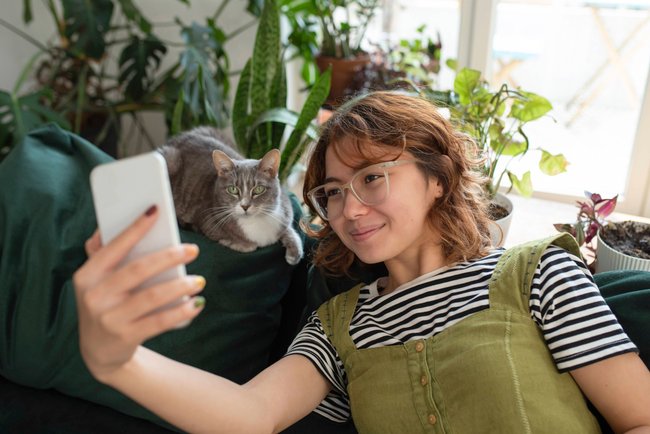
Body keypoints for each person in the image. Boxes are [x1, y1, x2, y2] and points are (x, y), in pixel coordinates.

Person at [74, 91, 650, 433]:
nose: (347, 208)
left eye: (372, 178)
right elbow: (249, 415)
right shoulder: (337, 325)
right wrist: (115, 361)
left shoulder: (539, 273)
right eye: (330, 192)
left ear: (438, 177)